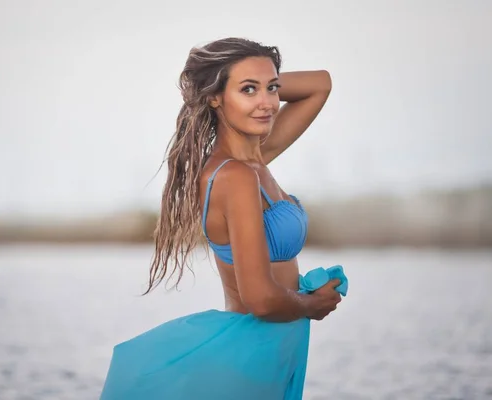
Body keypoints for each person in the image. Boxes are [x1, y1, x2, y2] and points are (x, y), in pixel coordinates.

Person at [100, 37, 348, 400]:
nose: (267, 103)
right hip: (248, 356)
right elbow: (260, 300)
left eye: (272, 89)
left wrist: (256, 79)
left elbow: (320, 83)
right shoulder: (235, 177)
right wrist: (313, 305)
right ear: (216, 96)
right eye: (248, 90)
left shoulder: (256, 157)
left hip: (272, 351)